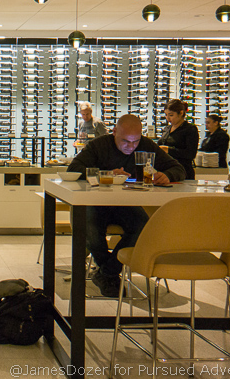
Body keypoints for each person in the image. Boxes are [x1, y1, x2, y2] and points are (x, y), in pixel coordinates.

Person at [67, 114, 186, 297]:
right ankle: (110, 275)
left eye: (135, 142)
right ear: (114, 132)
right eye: (125, 141)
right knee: (88, 228)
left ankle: (107, 274)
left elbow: (178, 168)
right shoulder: (99, 145)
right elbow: (74, 169)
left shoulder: (146, 146)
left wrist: (167, 175)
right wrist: (105, 174)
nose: (131, 147)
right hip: (95, 203)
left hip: (125, 203)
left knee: (143, 226)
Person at [157, 99, 199, 180]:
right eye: (166, 115)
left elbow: (190, 154)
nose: (168, 118)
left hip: (183, 171)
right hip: (166, 171)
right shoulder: (167, 129)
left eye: (171, 115)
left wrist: (168, 150)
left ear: (181, 113)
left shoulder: (190, 129)